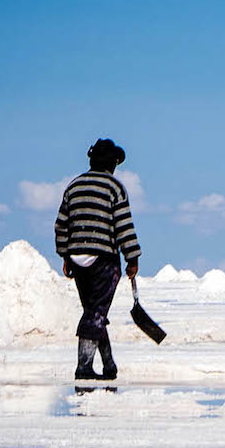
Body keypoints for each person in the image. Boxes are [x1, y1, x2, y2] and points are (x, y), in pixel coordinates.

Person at [55, 138, 142, 380]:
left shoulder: (73, 186)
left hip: (76, 258)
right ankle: (83, 368)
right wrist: (132, 258)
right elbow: (124, 226)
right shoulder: (114, 187)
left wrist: (65, 255)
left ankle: (109, 365)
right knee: (95, 313)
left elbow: (61, 225)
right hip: (103, 259)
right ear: (112, 163)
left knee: (94, 311)